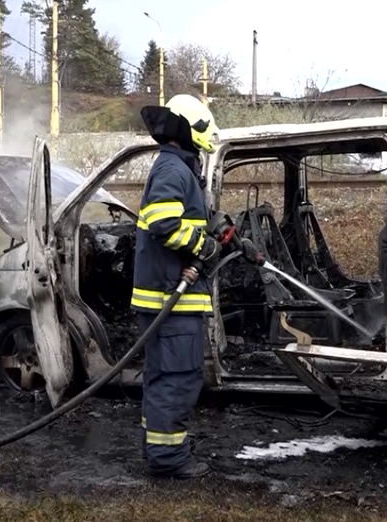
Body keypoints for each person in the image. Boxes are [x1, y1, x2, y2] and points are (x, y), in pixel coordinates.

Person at [131, 94, 223, 479]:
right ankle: (169, 459)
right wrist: (205, 245)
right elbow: (164, 224)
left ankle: (162, 448)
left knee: (164, 377)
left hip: (167, 299)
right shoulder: (173, 169)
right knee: (178, 378)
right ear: (186, 129)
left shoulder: (176, 167)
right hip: (171, 299)